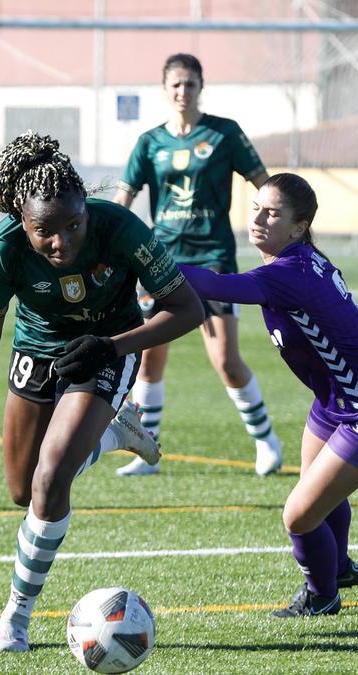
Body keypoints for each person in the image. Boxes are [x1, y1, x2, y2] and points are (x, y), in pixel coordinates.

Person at [0, 131, 204, 651]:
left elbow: (187, 309)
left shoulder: (122, 228)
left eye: (73, 225)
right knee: (23, 491)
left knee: (51, 478)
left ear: (86, 208)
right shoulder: (2, 247)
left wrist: (113, 346)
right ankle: (109, 436)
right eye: (45, 232)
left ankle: (15, 618)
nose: (62, 242)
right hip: (37, 353)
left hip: (108, 347)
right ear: (22, 221)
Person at [178, 172, 358, 617]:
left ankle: (321, 595)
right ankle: (339, 567)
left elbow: (214, 285)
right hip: (336, 403)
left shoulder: (287, 273)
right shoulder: (297, 261)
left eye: (272, 213)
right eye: (256, 209)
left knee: (298, 516)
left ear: (298, 227)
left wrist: (145, 262)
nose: (259, 219)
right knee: (317, 497)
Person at [112, 52, 283, 477]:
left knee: (225, 359)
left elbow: (266, 187)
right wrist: (110, 246)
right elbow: (123, 201)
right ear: (164, 90)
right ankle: (146, 452)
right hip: (160, 261)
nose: (182, 92)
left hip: (214, 260)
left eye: (189, 84)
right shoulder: (150, 142)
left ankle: (266, 441)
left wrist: (268, 226)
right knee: (149, 357)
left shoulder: (224, 134)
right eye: (175, 85)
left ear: (200, 87)